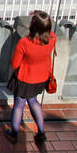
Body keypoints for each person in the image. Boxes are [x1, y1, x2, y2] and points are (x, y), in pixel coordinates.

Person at [5, 10, 56, 144]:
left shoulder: (25, 43)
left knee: (19, 106)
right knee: (34, 102)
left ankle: (14, 134)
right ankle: (41, 132)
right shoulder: (52, 39)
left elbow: (15, 63)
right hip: (41, 77)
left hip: (25, 78)